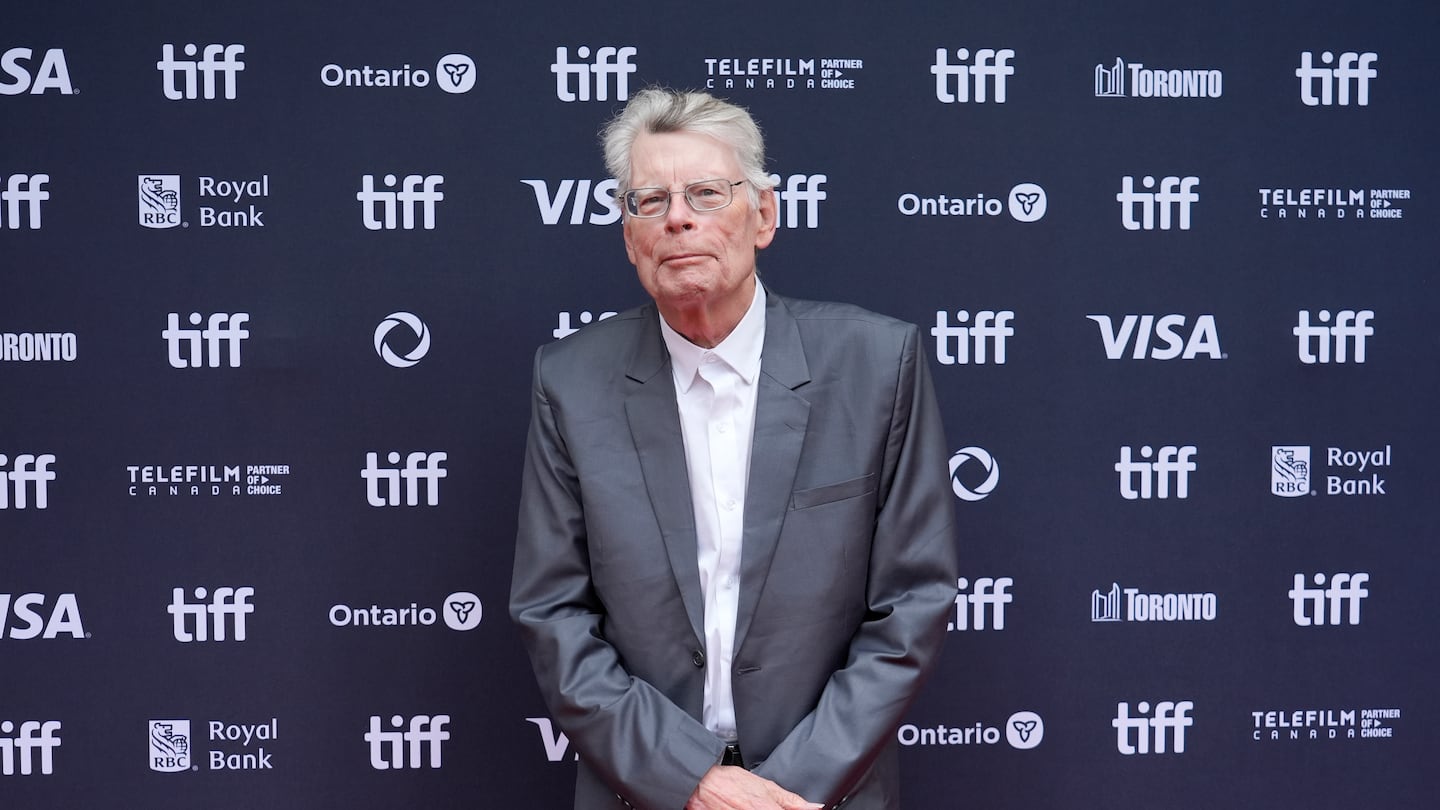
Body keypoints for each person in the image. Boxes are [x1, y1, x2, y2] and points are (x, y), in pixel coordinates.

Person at [511, 87, 958, 810]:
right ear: (630, 239)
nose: (678, 216)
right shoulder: (570, 381)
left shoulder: (878, 365)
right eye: (648, 201)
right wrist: (691, 781)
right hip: (644, 794)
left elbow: (912, 603)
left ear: (765, 215)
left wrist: (779, 794)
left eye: (707, 193)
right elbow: (553, 613)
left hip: (822, 797)